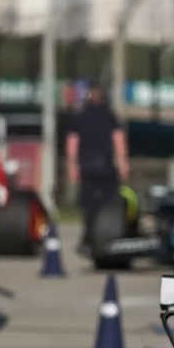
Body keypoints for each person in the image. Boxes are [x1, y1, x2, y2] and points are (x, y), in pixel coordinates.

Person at [65, 81, 130, 255]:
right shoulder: (110, 117)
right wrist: (123, 164)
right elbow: (119, 141)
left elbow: (72, 144)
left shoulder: (80, 117)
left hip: (87, 167)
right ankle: (105, 237)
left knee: (88, 206)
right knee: (108, 203)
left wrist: (72, 167)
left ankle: (88, 237)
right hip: (106, 167)